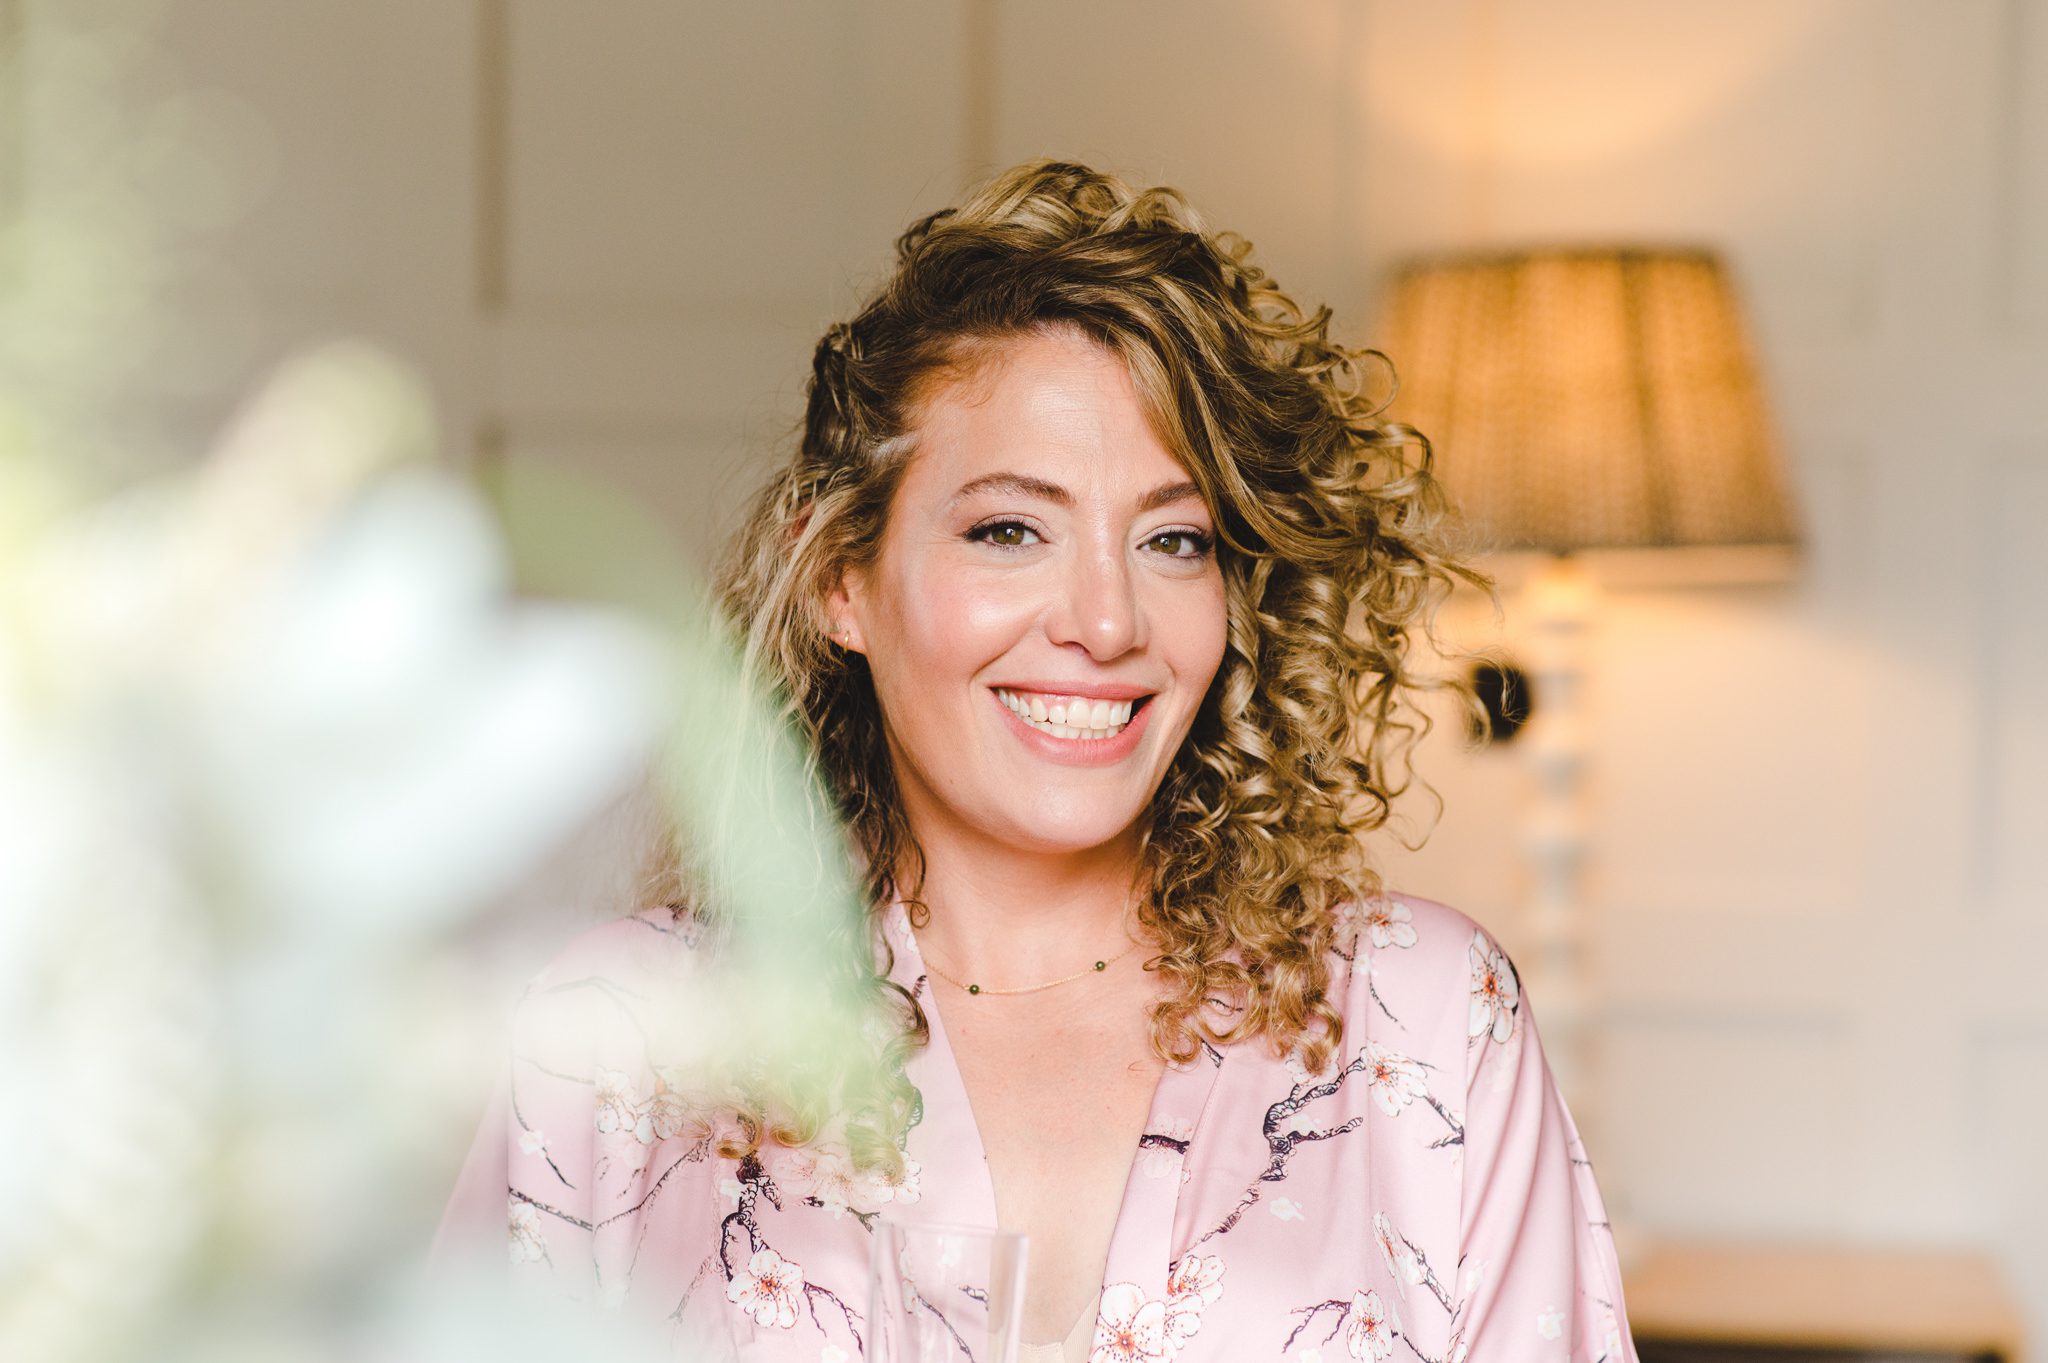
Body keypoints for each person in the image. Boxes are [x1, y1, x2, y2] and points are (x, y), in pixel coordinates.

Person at [437, 160, 1639, 1363]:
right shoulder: (619, 1045)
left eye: (1173, 540)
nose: (1106, 621)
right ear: (839, 578)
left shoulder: (1421, 1022)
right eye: (1010, 529)